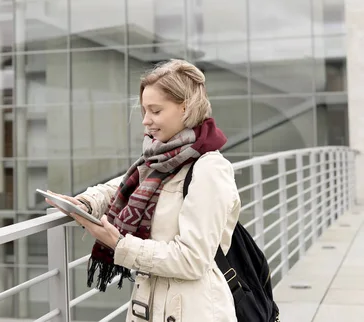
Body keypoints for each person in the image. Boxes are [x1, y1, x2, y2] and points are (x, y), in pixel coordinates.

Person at [46, 59, 240, 322]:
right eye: (144, 111)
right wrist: (86, 202)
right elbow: (122, 186)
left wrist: (119, 244)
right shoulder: (158, 159)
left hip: (192, 311)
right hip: (150, 304)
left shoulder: (209, 169)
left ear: (186, 107)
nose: (146, 121)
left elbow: (193, 260)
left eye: (156, 111)